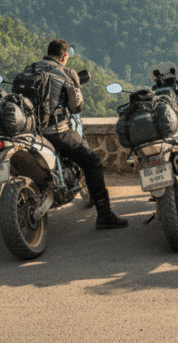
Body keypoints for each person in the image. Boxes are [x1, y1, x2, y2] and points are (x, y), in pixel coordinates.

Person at [30, 39, 127, 230]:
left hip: (30, 132)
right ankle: (104, 215)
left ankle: (8, 209)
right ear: (65, 56)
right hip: (55, 132)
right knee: (93, 162)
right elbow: (76, 106)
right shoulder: (66, 72)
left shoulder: (30, 69)